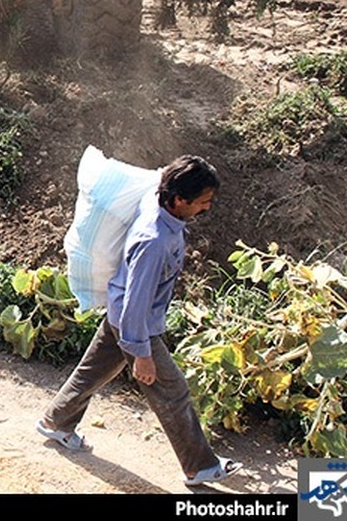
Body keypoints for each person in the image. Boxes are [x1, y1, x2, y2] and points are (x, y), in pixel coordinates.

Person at [35, 155, 243, 487]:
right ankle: (199, 466)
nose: (206, 208)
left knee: (92, 372)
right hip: (133, 323)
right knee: (172, 390)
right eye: (203, 202)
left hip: (120, 315)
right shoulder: (154, 241)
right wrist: (142, 353)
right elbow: (136, 303)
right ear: (178, 200)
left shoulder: (156, 200)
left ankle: (56, 422)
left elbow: (158, 179)